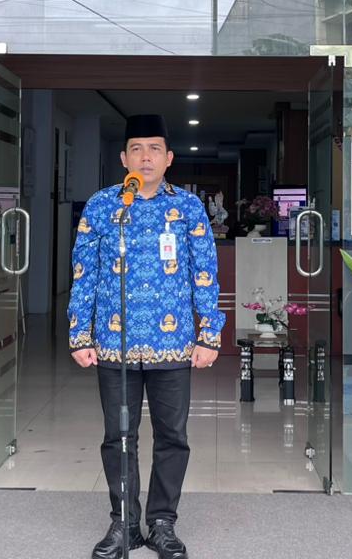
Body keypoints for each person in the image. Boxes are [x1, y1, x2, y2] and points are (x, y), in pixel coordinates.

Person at [69, 114, 225, 559]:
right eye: (136, 149)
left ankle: (161, 523)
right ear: (124, 158)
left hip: (172, 344)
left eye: (154, 149)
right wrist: (80, 333)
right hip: (113, 342)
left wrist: (209, 333)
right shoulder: (102, 206)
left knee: (172, 435)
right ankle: (123, 524)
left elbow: (204, 272)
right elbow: (84, 272)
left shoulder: (188, 208)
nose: (145, 157)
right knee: (118, 436)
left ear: (169, 158)